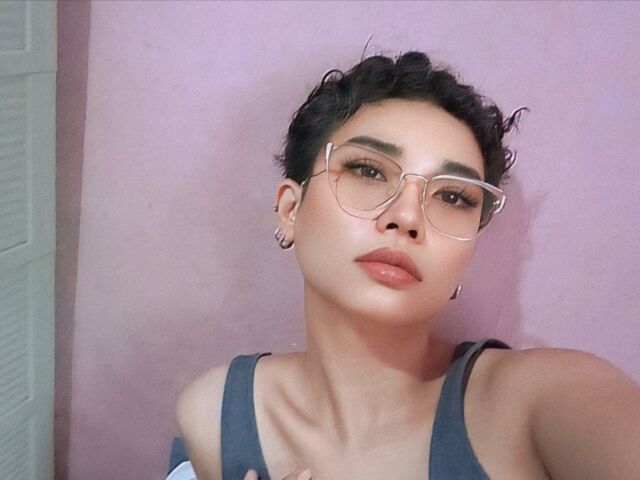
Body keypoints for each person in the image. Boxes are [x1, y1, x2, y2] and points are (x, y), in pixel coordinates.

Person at [175, 50, 640, 480]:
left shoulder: (551, 400)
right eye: (368, 170)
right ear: (290, 209)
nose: (407, 217)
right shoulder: (215, 415)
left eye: (453, 196)